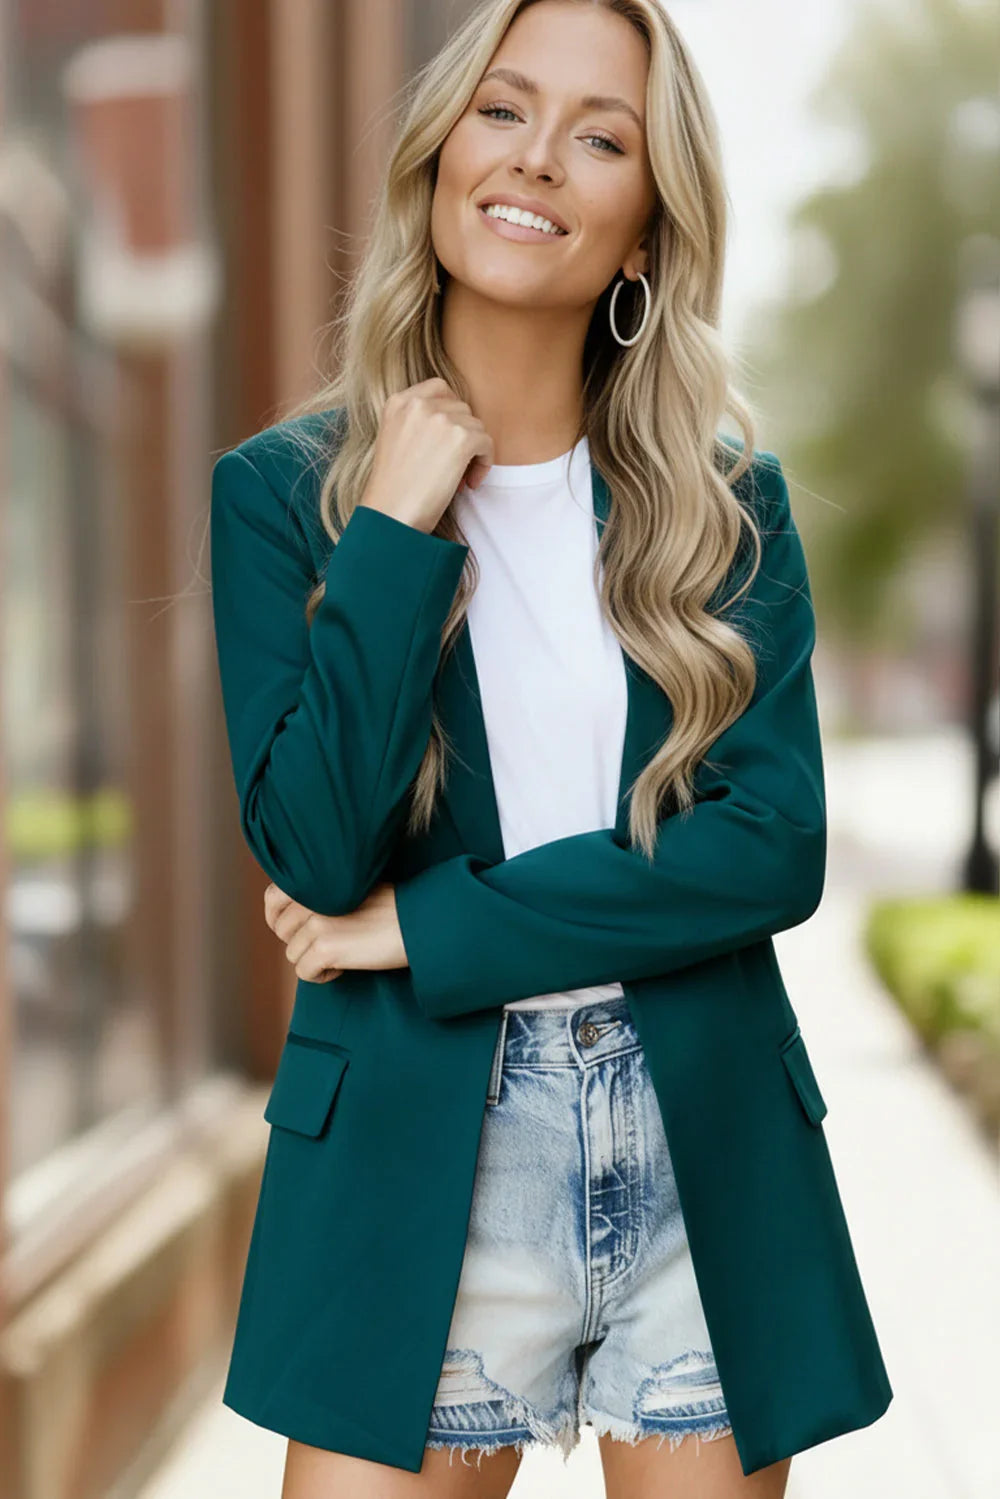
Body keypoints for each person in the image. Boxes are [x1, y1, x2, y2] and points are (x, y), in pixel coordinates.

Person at [208, 2, 893, 1496]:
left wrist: (423, 924)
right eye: (505, 110)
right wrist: (394, 525)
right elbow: (314, 849)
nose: (538, 160)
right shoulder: (285, 498)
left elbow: (767, 851)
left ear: (647, 227)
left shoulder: (728, 508)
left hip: (694, 1150)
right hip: (414, 1156)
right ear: (443, 148)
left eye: (604, 136)